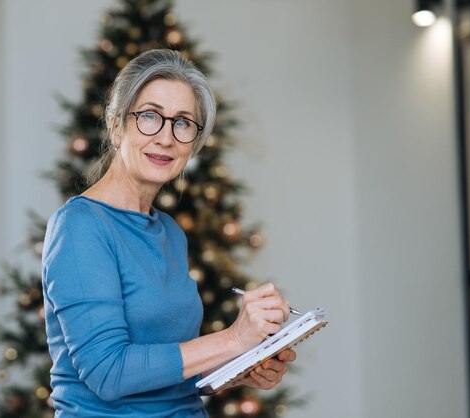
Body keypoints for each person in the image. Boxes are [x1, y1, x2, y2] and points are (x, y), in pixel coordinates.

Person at [42, 49, 296, 418]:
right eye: (150, 116)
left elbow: (167, 368)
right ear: (116, 126)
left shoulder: (170, 233)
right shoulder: (80, 227)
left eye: (182, 122)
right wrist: (231, 338)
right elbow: (108, 373)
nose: (166, 137)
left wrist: (239, 366)